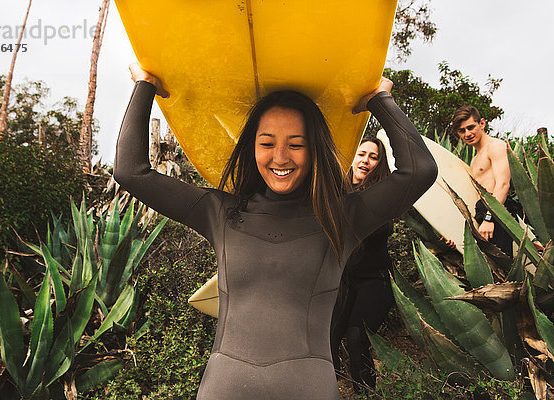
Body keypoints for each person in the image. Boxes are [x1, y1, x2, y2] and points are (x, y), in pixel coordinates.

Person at [114, 63, 437, 400]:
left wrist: (379, 99)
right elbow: (131, 172)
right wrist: (144, 86)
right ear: (251, 148)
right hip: (225, 387)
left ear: (314, 150)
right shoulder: (221, 212)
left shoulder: (341, 217)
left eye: (296, 144)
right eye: (266, 143)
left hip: (308, 387)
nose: (280, 157)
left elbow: (420, 170)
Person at [330, 137, 394, 390]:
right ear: (352, 157)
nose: (365, 160)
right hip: (344, 280)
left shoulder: (381, 195)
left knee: (357, 337)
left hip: (374, 280)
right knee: (329, 339)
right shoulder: (336, 191)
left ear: (379, 164)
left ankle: (366, 392)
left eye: (373, 157)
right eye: (361, 154)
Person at [451, 105, 515, 256]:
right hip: (483, 213)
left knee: (502, 266)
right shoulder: (474, 160)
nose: (467, 134)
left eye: (471, 127)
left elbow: (503, 184)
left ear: (482, 123)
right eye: (462, 131)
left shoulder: (495, 146)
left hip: (498, 212)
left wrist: (489, 218)